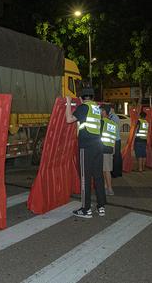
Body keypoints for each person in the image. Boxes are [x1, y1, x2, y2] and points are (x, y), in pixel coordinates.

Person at [65, 88, 106, 218]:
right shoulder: (96, 108)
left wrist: (68, 103)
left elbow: (69, 119)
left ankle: (86, 209)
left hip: (86, 147)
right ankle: (101, 207)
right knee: (98, 177)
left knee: (85, 178)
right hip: (98, 146)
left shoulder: (83, 107)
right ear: (92, 97)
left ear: (81, 98)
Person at [100, 105, 117, 196]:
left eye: (101, 110)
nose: (99, 112)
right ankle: (106, 186)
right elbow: (113, 137)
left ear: (104, 112)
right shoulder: (112, 123)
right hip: (110, 148)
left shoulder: (102, 122)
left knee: (106, 170)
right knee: (106, 170)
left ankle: (109, 189)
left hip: (103, 148)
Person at [109, 106, 123, 178]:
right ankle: (118, 172)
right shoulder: (113, 116)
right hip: (116, 139)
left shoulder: (113, 117)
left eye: (110, 108)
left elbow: (112, 128)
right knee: (117, 156)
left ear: (113, 109)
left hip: (115, 139)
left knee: (116, 157)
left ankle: (115, 173)